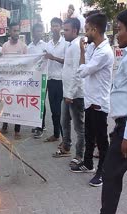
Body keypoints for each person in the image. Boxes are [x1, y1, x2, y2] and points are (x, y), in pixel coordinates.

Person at [70, 14, 114, 187]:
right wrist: (82, 51)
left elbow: (83, 71)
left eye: (87, 29)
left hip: (99, 102)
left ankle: (102, 172)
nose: (85, 32)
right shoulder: (92, 48)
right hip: (89, 100)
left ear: (95, 29)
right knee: (89, 135)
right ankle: (88, 163)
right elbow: (84, 65)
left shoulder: (104, 52)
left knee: (102, 141)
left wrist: (82, 60)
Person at [100, 10, 127, 214]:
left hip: (126, 130)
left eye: (119, 29)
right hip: (122, 127)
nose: (116, 34)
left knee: (110, 175)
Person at [52, 18, 85, 168]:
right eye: (63, 29)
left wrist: (70, 94)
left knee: (79, 126)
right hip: (68, 93)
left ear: (75, 31)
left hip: (75, 95)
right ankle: (66, 146)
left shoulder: (77, 46)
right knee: (64, 121)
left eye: (66, 30)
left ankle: (80, 155)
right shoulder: (70, 45)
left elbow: (77, 72)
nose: (63, 32)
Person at [0, 22, 27, 140]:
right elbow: (1, 63)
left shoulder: (23, 46)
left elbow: (27, 63)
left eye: (18, 31)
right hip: (7, 81)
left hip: (19, 82)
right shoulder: (5, 46)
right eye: (14, 31)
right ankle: (5, 126)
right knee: (5, 103)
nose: (16, 33)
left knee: (17, 105)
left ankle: (17, 130)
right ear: (9, 32)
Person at [44, 18, 66, 142]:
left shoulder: (65, 43)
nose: (54, 28)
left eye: (57, 26)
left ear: (61, 27)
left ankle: (64, 138)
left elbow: (67, 61)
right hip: (50, 80)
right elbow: (44, 59)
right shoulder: (49, 44)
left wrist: (53, 58)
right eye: (52, 26)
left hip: (61, 80)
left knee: (61, 111)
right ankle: (56, 134)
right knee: (53, 109)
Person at [27, 23, 47, 139]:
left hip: (43, 78)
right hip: (32, 79)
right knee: (33, 102)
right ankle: (36, 123)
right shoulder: (29, 48)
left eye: (41, 31)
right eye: (37, 31)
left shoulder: (45, 46)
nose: (39, 33)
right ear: (33, 32)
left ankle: (41, 127)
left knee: (42, 102)